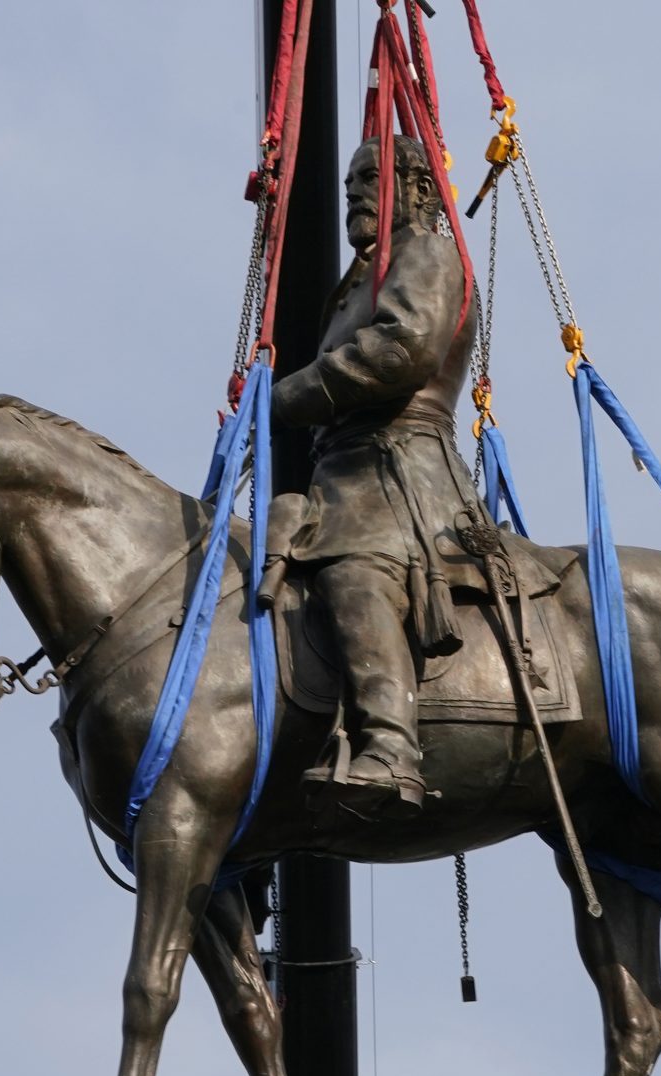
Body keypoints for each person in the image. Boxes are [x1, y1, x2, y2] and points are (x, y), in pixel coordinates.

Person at [273, 136, 483, 816]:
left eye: (371, 178)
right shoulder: (355, 285)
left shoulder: (427, 251)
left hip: (400, 474)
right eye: (350, 182)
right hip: (343, 473)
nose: (355, 192)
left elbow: (401, 349)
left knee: (353, 571)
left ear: (417, 187)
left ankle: (392, 749)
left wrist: (287, 396)